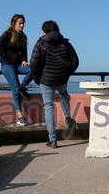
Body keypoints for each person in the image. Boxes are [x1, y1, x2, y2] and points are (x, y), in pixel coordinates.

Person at [30, 20, 79, 148]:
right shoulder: (65, 43)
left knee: (48, 107)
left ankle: (52, 140)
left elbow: (34, 63)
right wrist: (67, 73)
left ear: (44, 31)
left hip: (46, 80)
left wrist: (36, 78)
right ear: (57, 29)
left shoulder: (40, 42)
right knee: (64, 95)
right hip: (61, 79)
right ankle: (68, 118)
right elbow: (75, 61)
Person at [0, 14, 33, 126]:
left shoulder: (23, 36)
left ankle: (23, 86)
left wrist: (24, 60)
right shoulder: (7, 34)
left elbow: (24, 51)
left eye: (23, 23)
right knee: (15, 88)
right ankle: (19, 116)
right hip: (7, 66)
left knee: (34, 69)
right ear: (14, 23)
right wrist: (8, 57)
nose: (22, 25)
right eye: (20, 23)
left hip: (18, 65)